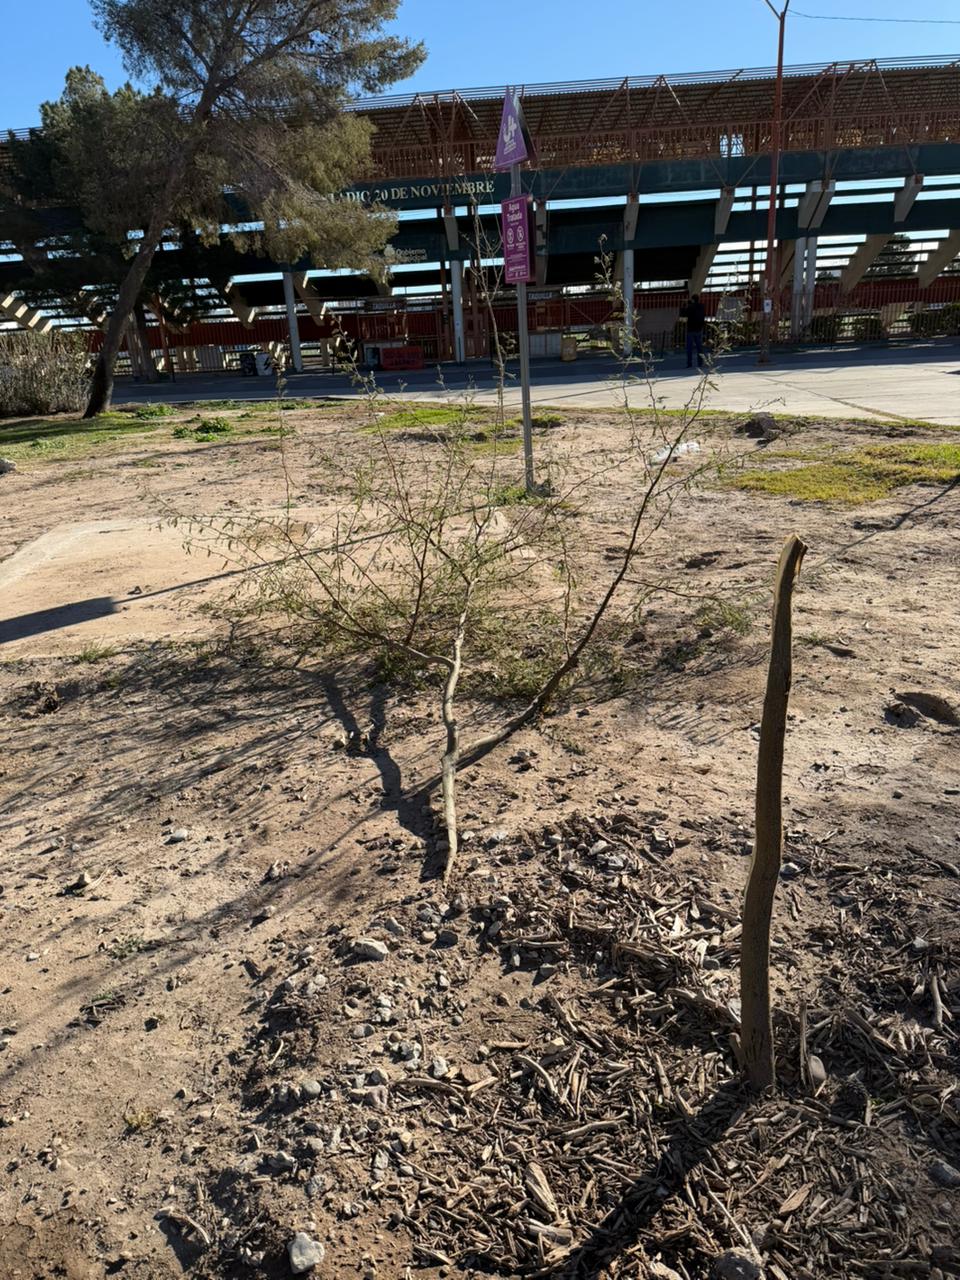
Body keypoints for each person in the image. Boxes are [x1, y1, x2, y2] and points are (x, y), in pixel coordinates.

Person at [682, 293, 707, 369]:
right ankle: (700, 363)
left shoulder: (690, 307)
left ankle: (689, 363)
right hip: (699, 329)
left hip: (691, 329)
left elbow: (684, 314)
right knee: (699, 347)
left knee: (689, 348)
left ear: (692, 299)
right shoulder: (702, 306)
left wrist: (685, 305)